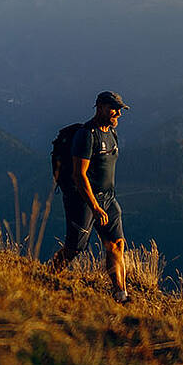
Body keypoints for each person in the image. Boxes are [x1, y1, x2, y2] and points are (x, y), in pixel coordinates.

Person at [49, 90, 131, 303]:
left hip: (108, 199)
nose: (118, 114)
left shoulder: (111, 133)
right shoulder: (86, 135)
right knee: (74, 248)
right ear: (100, 107)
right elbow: (79, 175)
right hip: (84, 201)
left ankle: (121, 295)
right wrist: (94, 206)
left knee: (116, 244)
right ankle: (46, 277)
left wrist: (104, 203)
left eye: (120, 110)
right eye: (114, 109)